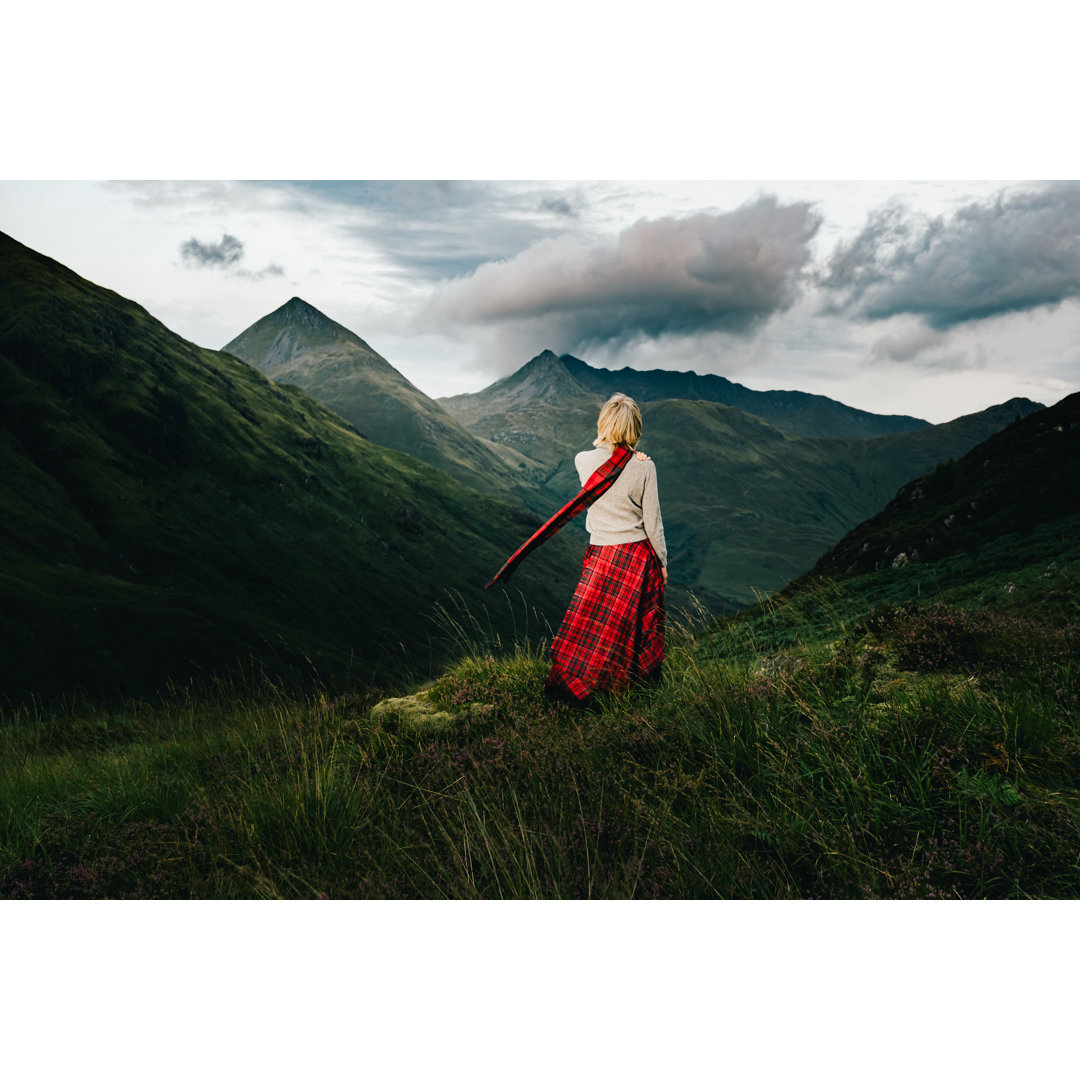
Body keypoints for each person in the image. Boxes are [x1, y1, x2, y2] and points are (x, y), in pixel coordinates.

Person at [547, 393, 667, 703]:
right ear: (634, 428)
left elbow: (606, 458)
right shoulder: (645, 468)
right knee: (631, 630)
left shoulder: (582, 460)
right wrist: (663, 562)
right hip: (636, 556)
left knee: (591, 628)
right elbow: (652, 522)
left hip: (600, 554)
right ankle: (627, 691)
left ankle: (581, 687)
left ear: (605, 423)